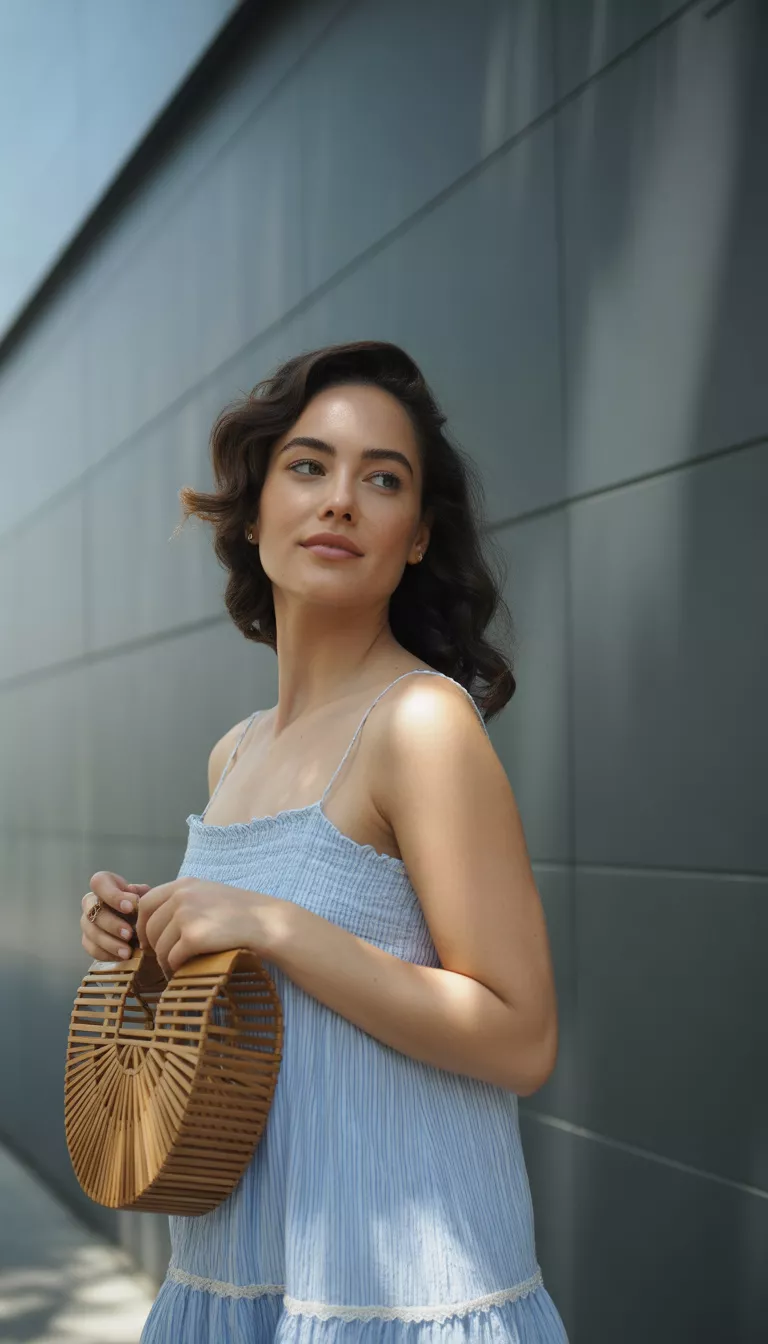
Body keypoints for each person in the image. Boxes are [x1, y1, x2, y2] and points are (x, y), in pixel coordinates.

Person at [81, 340, 568, 1342]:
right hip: (237, 1282)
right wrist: (147, 940)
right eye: (309, 467)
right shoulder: (236, 752)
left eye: (381, 480)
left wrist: (272, 922)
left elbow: (522, 1039)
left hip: (394, 1303)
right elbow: (272, 1016)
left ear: (418, 537)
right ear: (256, 511)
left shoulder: (420, 724)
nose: (340, 499)